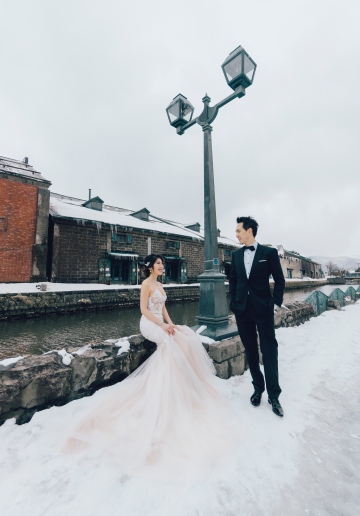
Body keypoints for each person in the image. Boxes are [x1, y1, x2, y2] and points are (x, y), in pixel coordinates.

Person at [63, 254, 236, 481]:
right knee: (169, 343)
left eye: (162, 263)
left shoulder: (160, 284)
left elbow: (163, 307)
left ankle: (181, 384)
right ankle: (166, 387)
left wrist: (171, 323)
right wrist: (162, 327)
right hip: (149, 325)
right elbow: (145, 310)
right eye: (158, 264)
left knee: (184, 335)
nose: (161, 266)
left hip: (161, 322)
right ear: (150, 267)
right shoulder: (146, 284)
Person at [229, 216, 285, 417]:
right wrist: (234, 304)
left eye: (238, 231)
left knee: (269, 351)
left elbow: (280, 280)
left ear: (249, 231)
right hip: (243, 311)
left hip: (263, 310)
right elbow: (233, 281)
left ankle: (274, 395)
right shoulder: (235, 255)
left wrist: (274, 303)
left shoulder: (268, 253)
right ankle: (258, 388)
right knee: (251, 351)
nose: (236, 234)